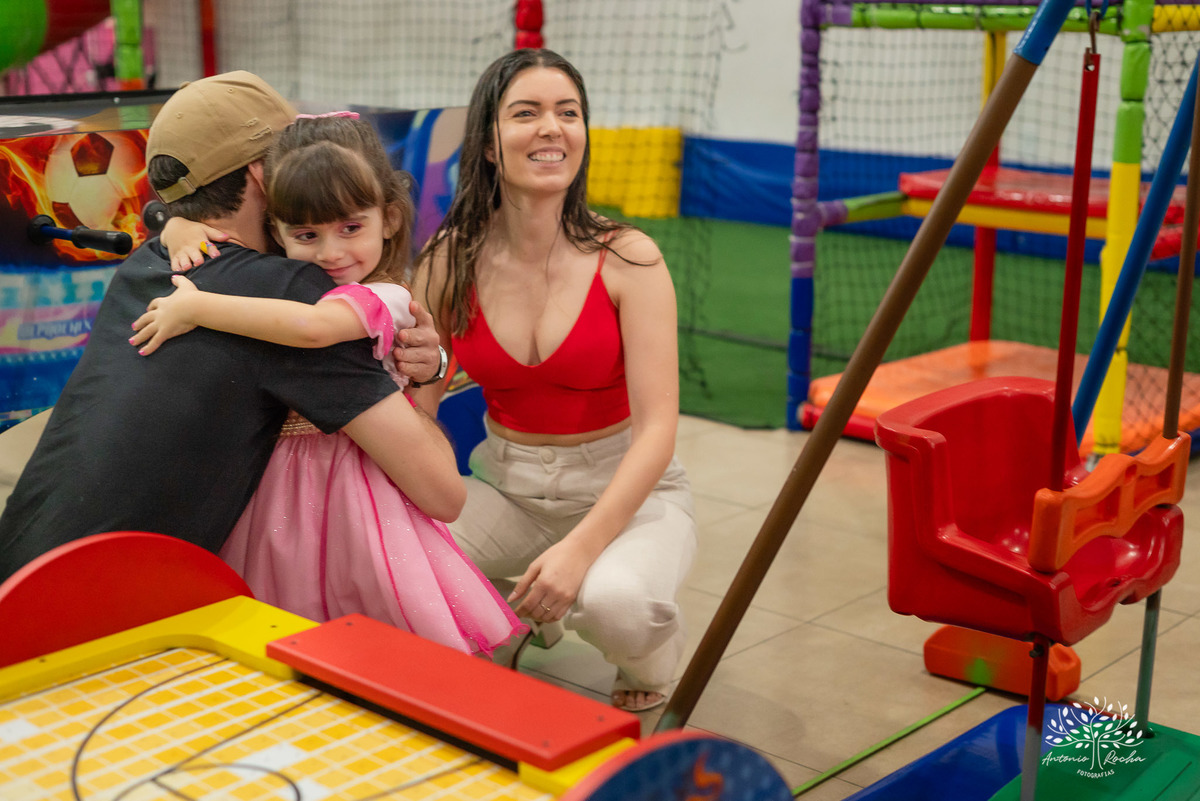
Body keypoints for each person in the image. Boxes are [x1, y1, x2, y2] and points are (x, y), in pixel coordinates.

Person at [0, 71, 453, 582]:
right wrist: (427, 374)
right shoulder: (289, 291)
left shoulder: (147, 264)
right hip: (104, 618)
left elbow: (161, 220)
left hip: (18, 580)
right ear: (264, 176)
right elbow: (442, 493)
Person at [129, 113, 523, 656]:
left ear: (388, 220)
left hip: (354, 473)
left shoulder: (378, 294)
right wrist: (175, 226)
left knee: (367, 598)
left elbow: (314, 329)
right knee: (285, 602)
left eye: (350, 229)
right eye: (308, 235)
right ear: (279, 231)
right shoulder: (293, 276)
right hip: (283, 479)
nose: (332, 253)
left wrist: (199, 307)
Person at [410, 49, 698, 712]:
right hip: (508, 484)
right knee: (408, 564)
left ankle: (650, 648)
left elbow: (658, 431)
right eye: (527, 113)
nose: (552, 128)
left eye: (568, 113)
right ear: (487, 143)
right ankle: (524, 616)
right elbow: (418, 408)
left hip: (629, 487)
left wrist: (581, 549)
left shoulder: (629, 257)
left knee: (616, 605)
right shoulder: (451, 258)